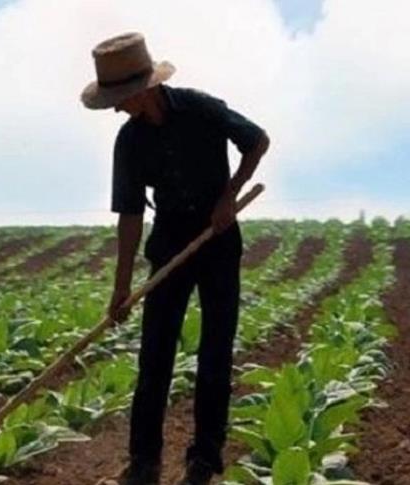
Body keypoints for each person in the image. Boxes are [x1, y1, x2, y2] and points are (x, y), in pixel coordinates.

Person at [81, 32, 270, 485]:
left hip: (217, 237)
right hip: (169, 241)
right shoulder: (128, 142)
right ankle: (144, 462)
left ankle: (204, 460)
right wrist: (121, 289)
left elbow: (257, 140)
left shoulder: (200, 108)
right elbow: (129, 216)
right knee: (155, 355)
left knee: (215, 353)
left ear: (143, 89)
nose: (115, 107)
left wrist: (229, 196)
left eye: (120, 98)